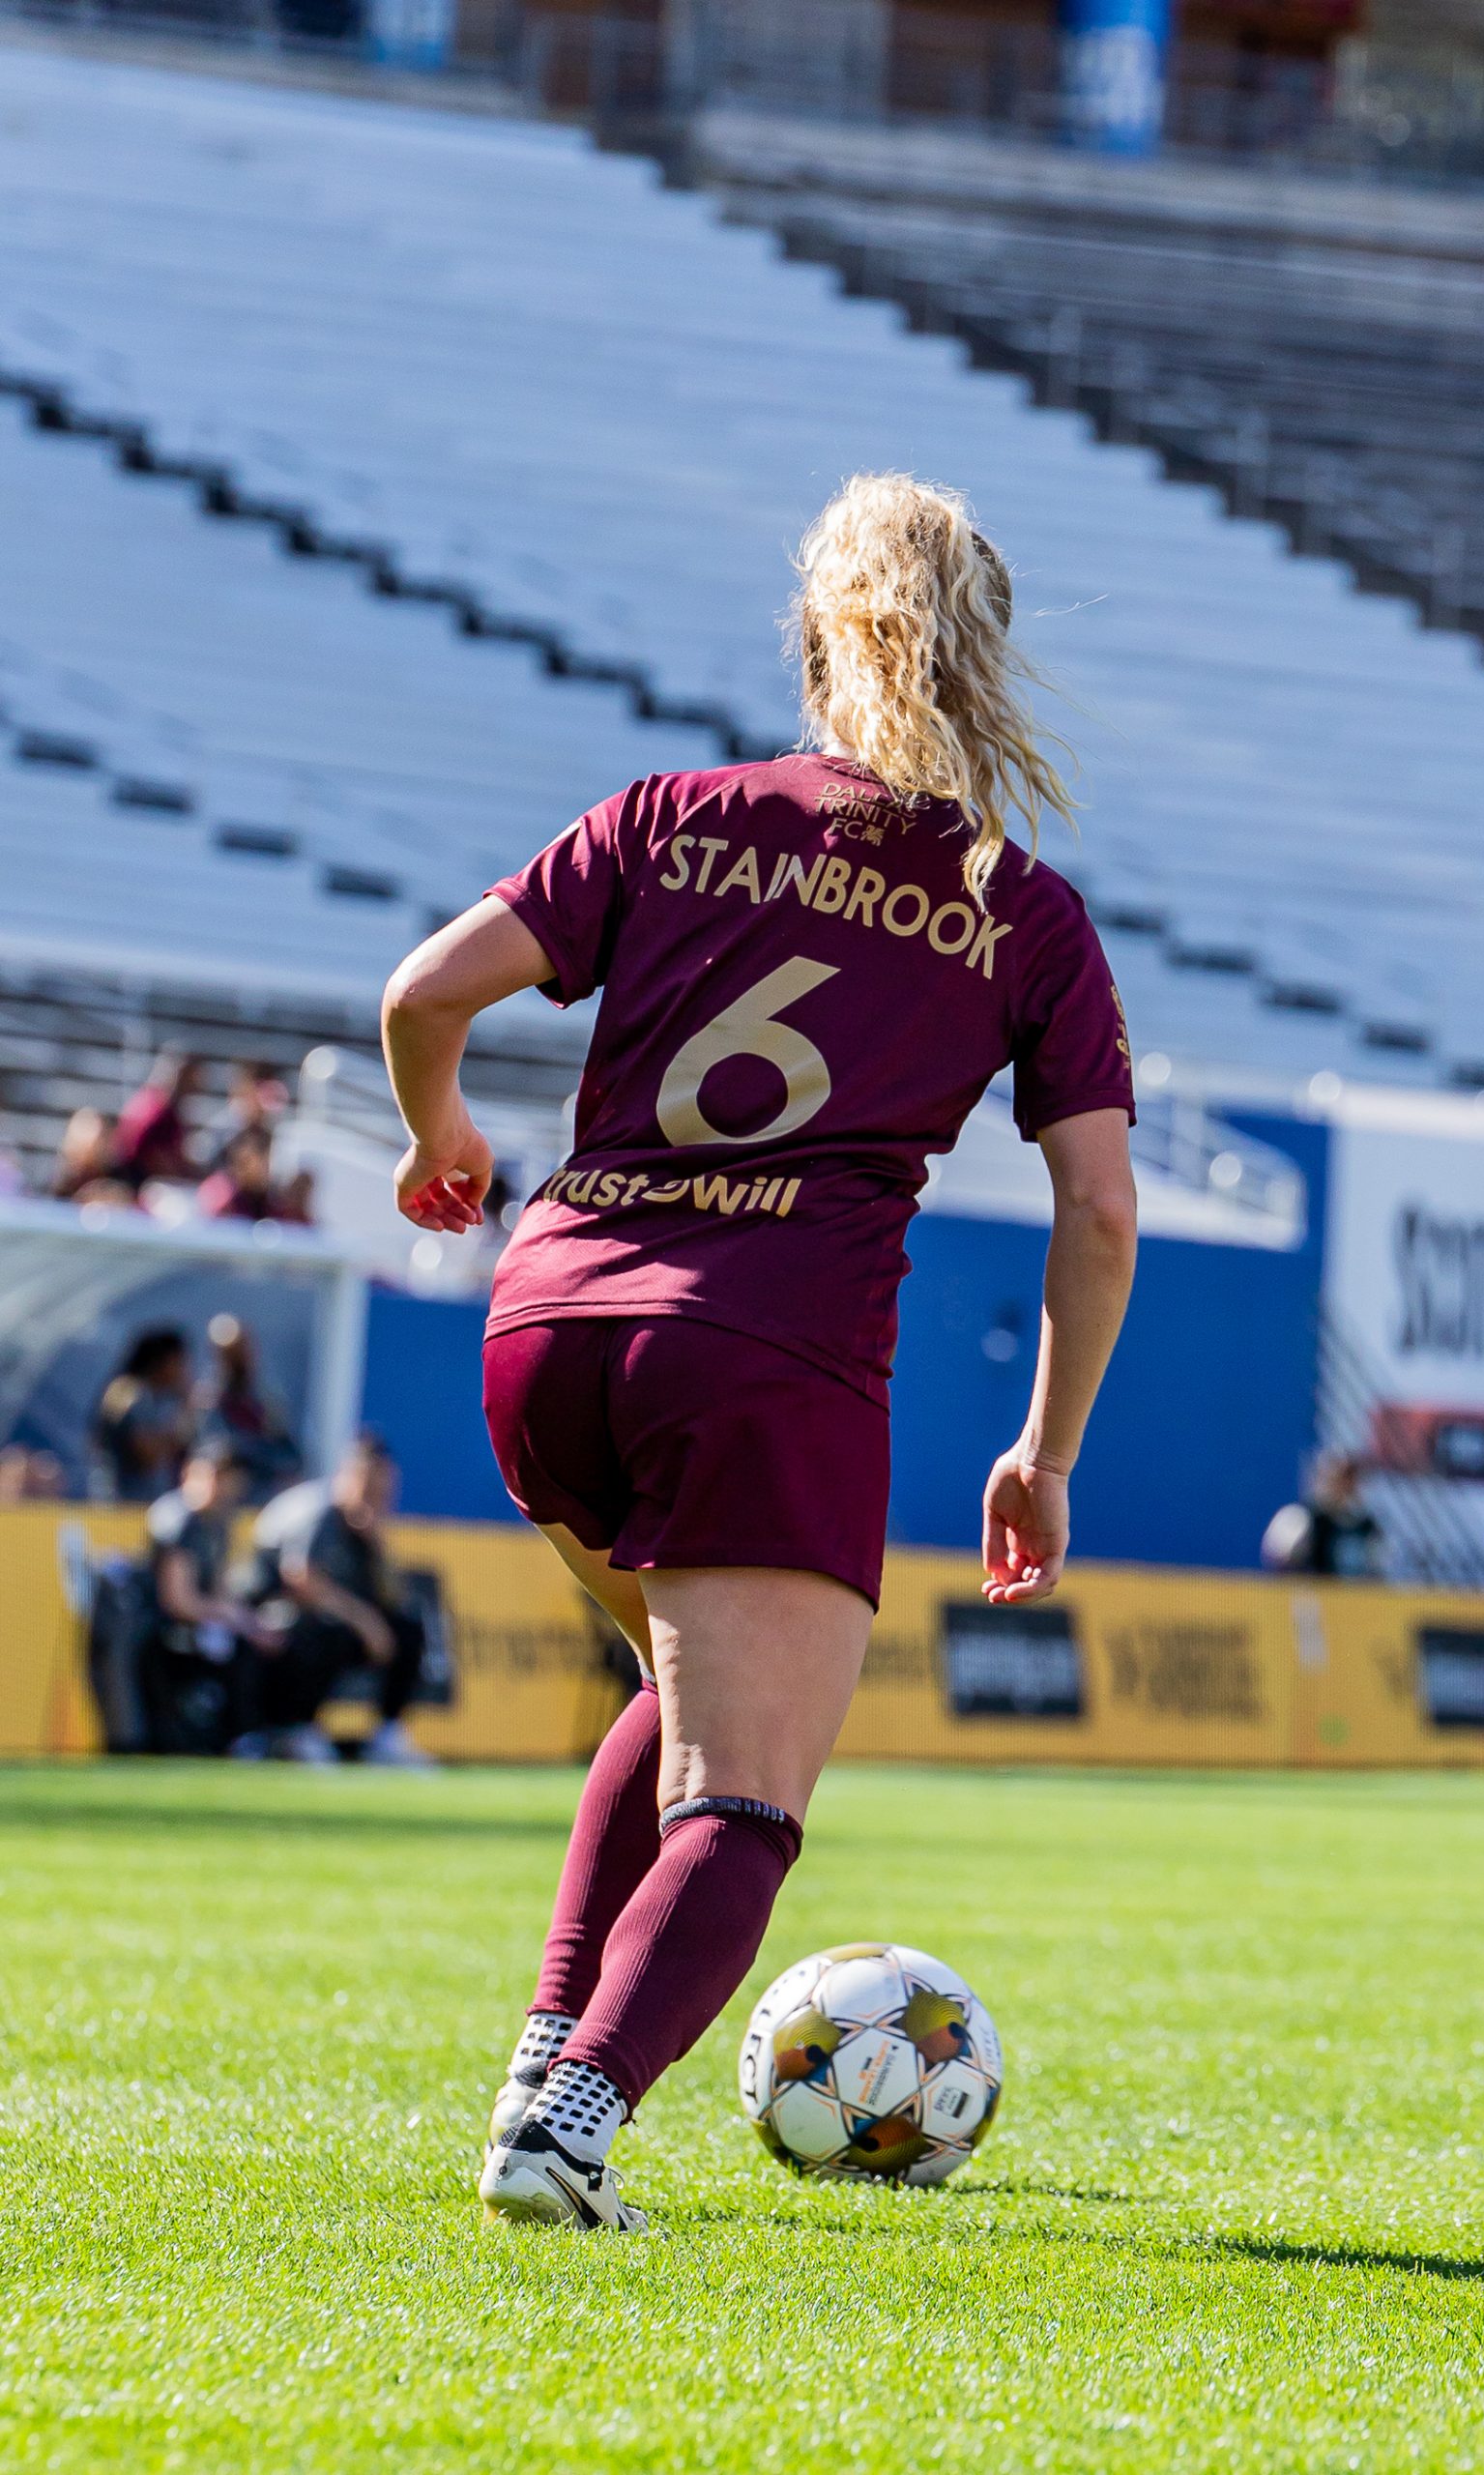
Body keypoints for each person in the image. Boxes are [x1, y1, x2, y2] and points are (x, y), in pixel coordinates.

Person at [381, 472, 1139, 2233]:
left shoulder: (667, 815)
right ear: (981, 664)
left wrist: (439, 1139)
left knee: (675, 1699)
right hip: (764, 1354)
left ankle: (543, 2064)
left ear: (814, 645)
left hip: (548, 1324)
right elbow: (1098, 1215)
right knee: (744, 1801)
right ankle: (568, 2127)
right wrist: (1042, 1453)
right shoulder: (1019, 910)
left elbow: (422, 993)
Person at [241, 1435, 434, 1765]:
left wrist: (377, 1545)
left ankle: (386, 1735)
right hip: (264, 1614)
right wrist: (365, 1621)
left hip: (325, 1618)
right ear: (350, 1476)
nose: (378, 1498)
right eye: (370, 1486)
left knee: (408, 1627)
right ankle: (296, 1729)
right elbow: (300, 1579)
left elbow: (392, 1597)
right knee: (329, 1630)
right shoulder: (319, 1510)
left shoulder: (364, 1524)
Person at [145, 1441, 278, 1755]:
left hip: (195, 1623)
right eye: (217, 1476)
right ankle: (241, 1737)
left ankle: (255, 1735)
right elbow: (178, 1600)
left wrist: (251, 1623)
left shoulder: (218, 1523)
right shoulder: (181, 1519)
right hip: (158, 1628)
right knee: (238, 1649)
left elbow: (221, 1591)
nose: (225, 1489)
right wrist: (236, 1621)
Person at [193, 1314, 301, 1502]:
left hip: (264, 1495)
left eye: (242, 1349)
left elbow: (288, 1452)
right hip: (222, 1498)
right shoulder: (208, 1399)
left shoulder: (266, 1397)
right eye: (231, 1353)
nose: (240, 1358)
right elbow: (213, 1448)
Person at [92, 1327, 194, 1502]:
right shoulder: (132, 1393)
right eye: (180, 1363)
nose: (184, 1371)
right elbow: (149, 1456)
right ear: (165, 1362)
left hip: (130, 1501)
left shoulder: (140, 1393)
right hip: (125, 1504)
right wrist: (186, 1409)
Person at [1262, 1451, 1384, 1581]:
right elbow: (1280, 1560)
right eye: (1337, 1478)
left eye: (1350, 1479)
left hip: (1355, 1593)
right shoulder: (1303, 1519)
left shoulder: (1367, 1526)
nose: (1344, 1486)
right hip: (1313, 1592)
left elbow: (1376, 1571)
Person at [108, 1053, 201, 1191]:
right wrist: (186, 1179)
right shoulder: (157, 1108)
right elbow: (152, 1158)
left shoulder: (161, 1104)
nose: (197, 1086)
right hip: (135, 1183)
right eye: (194, 1078)